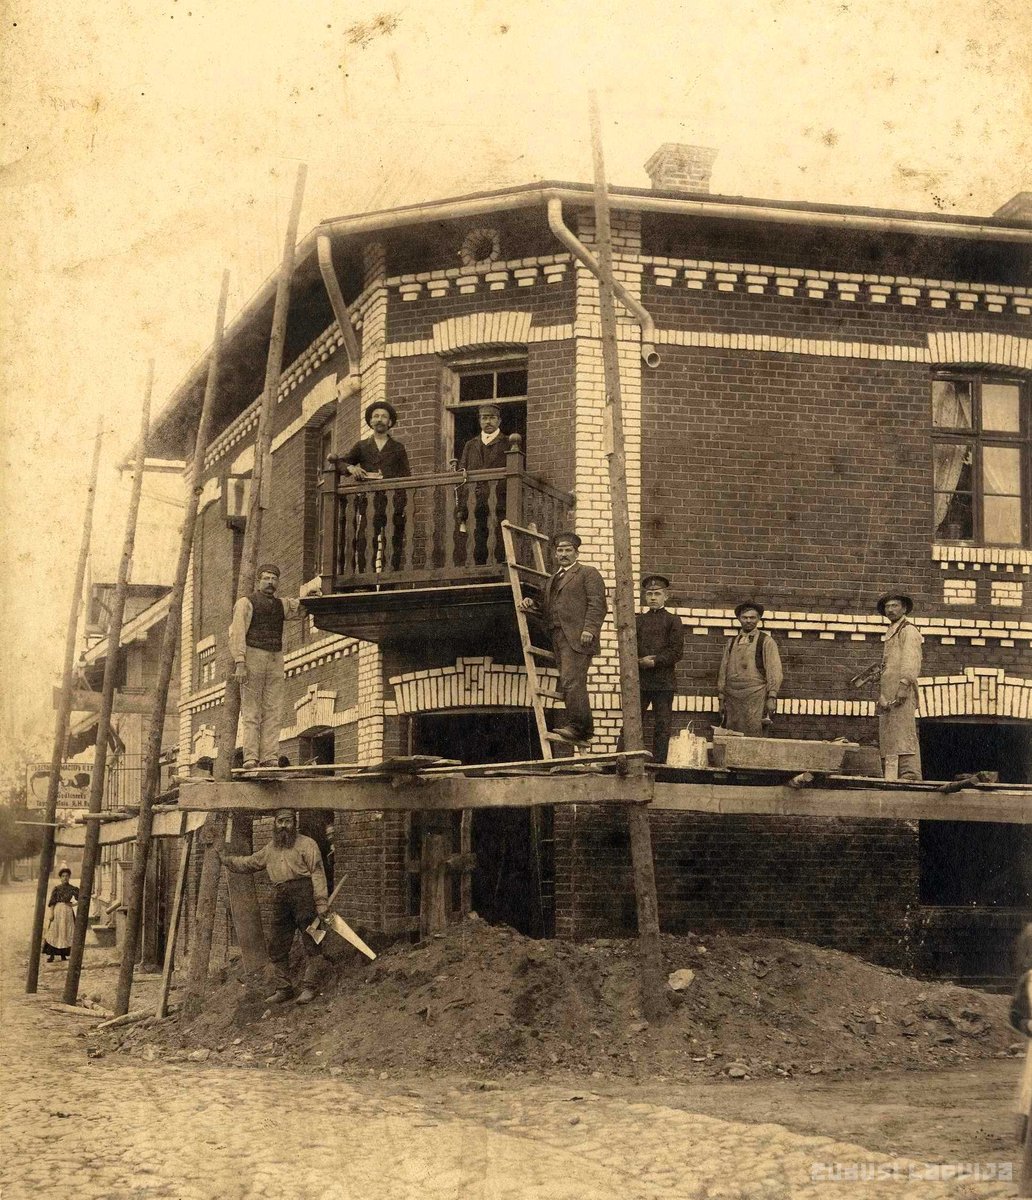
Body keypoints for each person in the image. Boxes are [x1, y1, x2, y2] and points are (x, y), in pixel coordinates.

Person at [218, 808, 330, 1004]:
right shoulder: (270, 849)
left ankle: (310, 987)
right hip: (280, 898)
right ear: (275, 824)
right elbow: (250, 863)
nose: (283, 826)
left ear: (294, 823)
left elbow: (318, 873)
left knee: (312, 939)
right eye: (280, 822)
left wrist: (321, 902)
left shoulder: (307, 844)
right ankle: (284, 988)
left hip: (304, 896)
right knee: (277, 943)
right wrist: (227, 861)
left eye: (287, 821)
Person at [230, 565, 322, 770]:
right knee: (252, 711)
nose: (270, 582)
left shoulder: (282, 604)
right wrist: (240, 662)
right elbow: (237, 633)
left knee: (274, 709)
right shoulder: (246, 603)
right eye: (266, 578)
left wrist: (311, 597)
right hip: (252, 657)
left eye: (274, 579)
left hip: (275, 659)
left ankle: (269, 756)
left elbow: (300, 609)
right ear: (258, 581)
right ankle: (250, 757)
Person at [521, 532, 607, 745]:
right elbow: (547, 606)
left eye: (568, 550)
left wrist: (590, 629)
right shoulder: (553, 579)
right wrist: (532, 604)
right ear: (555, 554)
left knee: (572, 680)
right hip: (557, 636)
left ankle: (580, 728)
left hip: (578, 638)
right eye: (560, 550)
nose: (564, 554)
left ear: (577, 553)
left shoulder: (588, 573)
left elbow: (597, 604)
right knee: (568, 680)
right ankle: (580, 726)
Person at [340, 401, 411, 573]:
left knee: (392, 542)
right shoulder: (362, 446)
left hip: (392, 503)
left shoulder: (398, 448)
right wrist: (351, 468)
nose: (380, 419)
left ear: (390, 422)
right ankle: (366, 580)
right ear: (371, 421)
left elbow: (406, 477)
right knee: (365, 542)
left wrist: (400, 504)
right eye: (376, 416)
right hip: (368, 504)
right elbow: (340, 463)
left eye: (384, 417)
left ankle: (389, 582)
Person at [635, 574, 685, 764]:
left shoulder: (673, 621)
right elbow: (630, 647)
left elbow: (676, 652)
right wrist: (638, 661)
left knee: (662, 725)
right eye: (649, 594)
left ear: (666, 596)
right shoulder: (638, 621)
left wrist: (655, 662)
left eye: (657, 594)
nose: (653, 598)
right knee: (632, 722)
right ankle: (622, 761)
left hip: (663, 683)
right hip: (641, 681)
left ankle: (658, 765)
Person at [875, 592, 923, 781]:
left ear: (904, 609)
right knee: (890, 732)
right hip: (888, 693)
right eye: (887, 607)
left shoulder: (909, 631)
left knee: (903, 731)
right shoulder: (892, 631)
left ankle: (910, 773)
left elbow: (911, 660)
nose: (890, 610)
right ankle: (893, 775)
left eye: (894, 606)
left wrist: (904, 685)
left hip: (901, 691)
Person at [717, 601, 783, 736]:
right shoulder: (731, 642)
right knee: (732, 734)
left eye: (752, 618)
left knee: (753, 734)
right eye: (745, 617)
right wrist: (721, 698)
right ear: (739, 619)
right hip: (732, 698)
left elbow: (774, 670)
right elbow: (723, 670)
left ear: (758, 619)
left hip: (755, 697)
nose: (748, 621)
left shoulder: (766, 641)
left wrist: (772, 696)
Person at [457, 402, 508, 564]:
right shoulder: (470, 445)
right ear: (479, 421)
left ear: (499, 421)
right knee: (477, 547)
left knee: (498, 546)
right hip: (475, 505)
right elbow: (462, 477)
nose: (488, 422)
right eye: (484, 418)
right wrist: (462, 508)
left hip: (500, 505)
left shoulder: (508, 443)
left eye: (492, 418)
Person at [42, 867, 78, 962]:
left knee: (65, 932)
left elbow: (82, 898)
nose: (65, 878)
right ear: (60, 878)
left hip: (67, 912)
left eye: (67, 876)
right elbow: (52, 902)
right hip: (57, 911)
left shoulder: (72, 889)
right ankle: (52, 955)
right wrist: (51, 914)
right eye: (63, 876)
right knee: (55, 932)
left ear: (69, 877)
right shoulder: (57, 889)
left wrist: (73, 904)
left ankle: (63, 955)